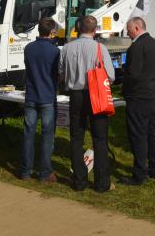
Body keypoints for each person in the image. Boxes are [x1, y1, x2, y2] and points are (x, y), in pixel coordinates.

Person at [59, 15, 115, 192]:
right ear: (95, 30)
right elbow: (111, 76)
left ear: (78, 29)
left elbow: (61, 73)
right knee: (100, 139)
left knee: (76, 137)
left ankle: (79, 181)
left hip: (75, 95)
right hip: (96, 94)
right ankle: (102, 183)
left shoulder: (66, 48)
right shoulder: (100, 48)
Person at [120, 16, 155, 185]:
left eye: (128, 30)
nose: (127, 33)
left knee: (138, 135)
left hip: (138, 96)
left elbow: (133, 74)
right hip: (152, 94)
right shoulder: (153, 43)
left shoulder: (137, 46)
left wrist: (124, 81)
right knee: (152, 132)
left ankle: (139, 173)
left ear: (136, 28)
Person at [20, 17, 60, 182]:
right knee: (47, 135)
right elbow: (57, 74)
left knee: (28, 134)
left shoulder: (28, 48)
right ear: (52, 32)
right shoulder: (55, 51)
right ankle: (45, 172)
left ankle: (25, 171)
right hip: (47, 97)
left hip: (31, 95)